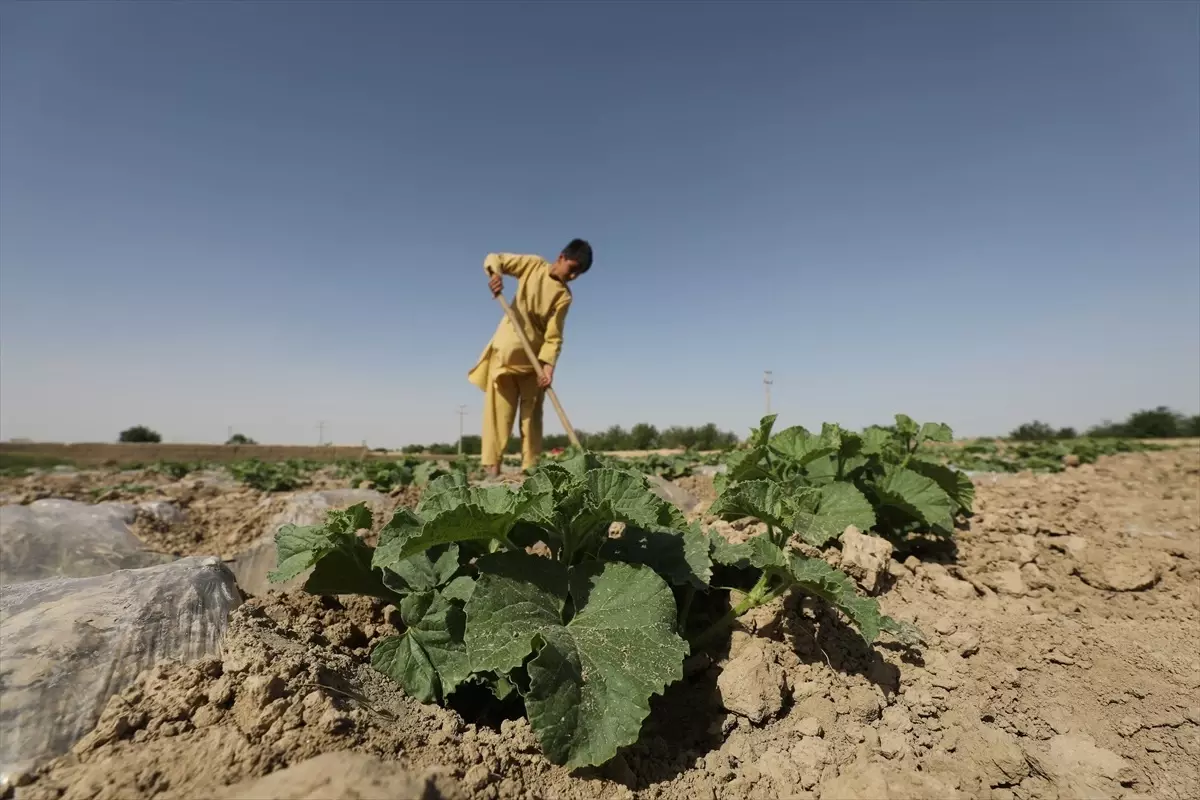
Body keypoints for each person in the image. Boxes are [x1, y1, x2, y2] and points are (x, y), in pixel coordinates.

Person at [468, 239, 593, 477]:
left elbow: (554, 336)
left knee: (531, 419)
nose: (574, 276)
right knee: (499, 415)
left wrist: (548, 368)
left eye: (579, 273)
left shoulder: (564, 296)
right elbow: (496, 258)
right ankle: (492, 471)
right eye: (573, 269)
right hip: (506, 353)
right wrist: (495, 276)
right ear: (561, 258)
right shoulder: (533, 265)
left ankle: (530, 471)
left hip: (534, 363)